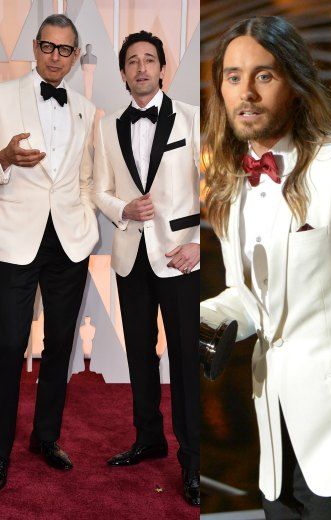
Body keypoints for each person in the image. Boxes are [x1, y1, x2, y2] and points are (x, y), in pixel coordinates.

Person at [201, 16, 331, 519]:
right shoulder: (231, 184)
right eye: (232, 76)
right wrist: (198, 316)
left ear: (294, 84)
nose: (246, 91)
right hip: (275, 435)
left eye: (263, 75)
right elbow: (248, 298)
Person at [92, 31, 200, 507]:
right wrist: (121, 209)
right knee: (140, 353)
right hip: (130, 256)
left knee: (186, 360)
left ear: (162, 69)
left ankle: (194, 461)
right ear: (122, 72)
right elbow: (98, 189)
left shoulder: (192, 120)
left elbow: (216, 187)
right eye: (132, 62)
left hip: (180, 257)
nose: (140, 68)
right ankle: (148, 438)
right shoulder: (106, 126)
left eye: (149, 60)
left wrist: (200, 242)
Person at [0, 14, 98, 490]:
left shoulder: (83, 106)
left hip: (69, 241)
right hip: (15, 237)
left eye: (66, 50)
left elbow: (82, 177)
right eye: (48, 47)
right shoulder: (4, 96)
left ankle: (45, 437)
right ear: (36, 48)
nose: (56, 56)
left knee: (60, 344)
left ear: (75, 56)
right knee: (7, 345)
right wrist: (3, 159)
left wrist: (82, 225)